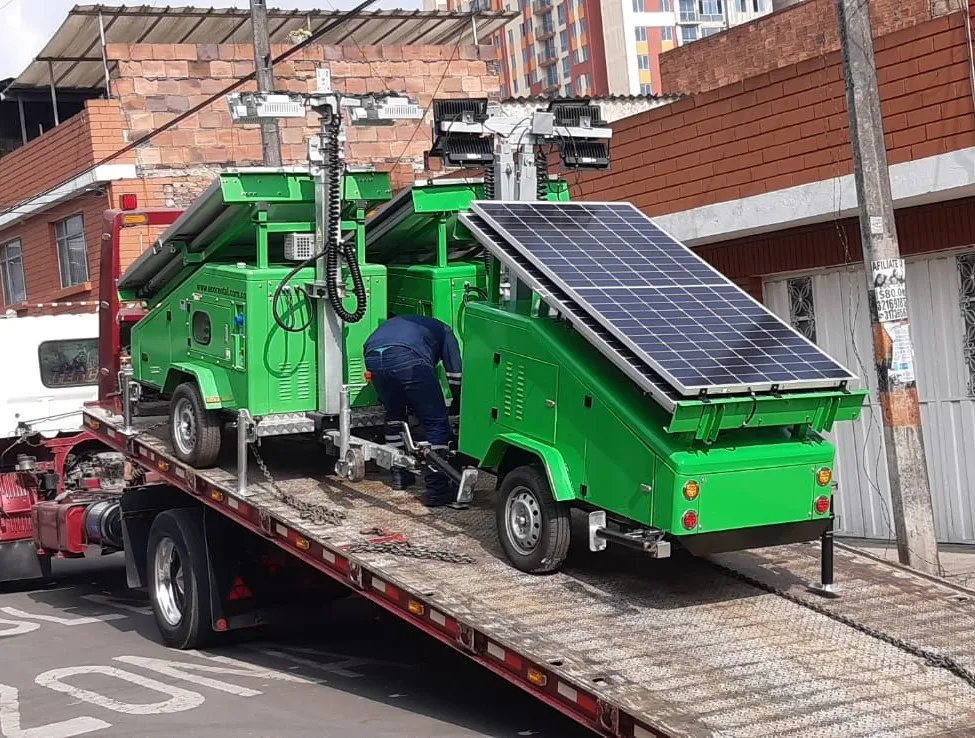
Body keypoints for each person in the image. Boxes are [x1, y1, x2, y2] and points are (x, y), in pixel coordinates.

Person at [363, 315, 463, 507]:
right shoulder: (445, 330)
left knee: (395, 418)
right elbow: (455, 375)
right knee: (435, 423)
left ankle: (400, 475)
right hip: (409, 359)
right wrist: (458, 404)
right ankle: (438, 490)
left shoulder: (399, 325)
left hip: (373, 357)